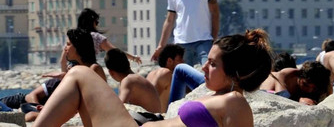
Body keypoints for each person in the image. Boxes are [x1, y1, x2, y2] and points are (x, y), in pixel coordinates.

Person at [30, 29, 272, 127]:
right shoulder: (219, 96)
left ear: (234, 73)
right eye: (207, 60)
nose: (204, 67)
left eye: (213, 64)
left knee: (80, 73)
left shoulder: (235, 103)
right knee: (78, 77)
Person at [151, 0, 219, 67]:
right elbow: (169, 20)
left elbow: (215, 12)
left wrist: (213, 38)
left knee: (209, 71)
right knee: (184, 78)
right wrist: (160, 46)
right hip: (181, 43)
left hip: (204, 40)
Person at [105, 48, 163, 113]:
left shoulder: (128, 81)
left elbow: (119, 107)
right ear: (128, 63)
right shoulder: (137, 78)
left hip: (150, 120)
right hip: (155, 118)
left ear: (111, 72)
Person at [77, 8, 142, 64]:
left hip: (72, 68)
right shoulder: (96, 37)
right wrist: (133, 58)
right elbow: (115, 52)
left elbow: (66, 54)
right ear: (92, 22)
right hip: (87, 67)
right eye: (96, 22)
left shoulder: (73, 35)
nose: (96, 25)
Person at [260, 61, 331, 104]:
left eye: (314, 89)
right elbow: (281, 100)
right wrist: (300, 100)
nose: (309, 90)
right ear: (300, 75)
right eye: (305, 84)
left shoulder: (316, 87)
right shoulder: (286, 75)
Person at [147, 44, 185, 112]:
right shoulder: (166, 73)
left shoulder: (151, 74)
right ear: (169, 61)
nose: (183, 62)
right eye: (180, 60)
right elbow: (151, 98)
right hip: (159, 118)